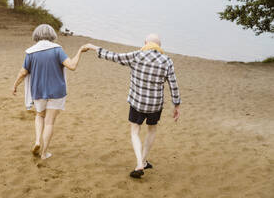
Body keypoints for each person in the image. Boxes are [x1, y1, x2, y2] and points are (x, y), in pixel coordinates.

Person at [84, 34, 181, 179]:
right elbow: (173, 84)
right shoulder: (167, 61)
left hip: (137, 102)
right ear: (159, 47)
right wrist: (176, 105)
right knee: (152, 129)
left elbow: (114, 56)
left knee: (135, 131)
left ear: (145, 43)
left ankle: (139, 163)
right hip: (155, 104)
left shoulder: (137, 55)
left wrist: (93, 47)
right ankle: (143, 160)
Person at [13, 24, 87, 160]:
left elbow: (23, 72)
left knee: (40, 115)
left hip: (38, 90)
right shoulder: (57, 49)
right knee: (50, 122)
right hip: (56, 91)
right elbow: (72, 66)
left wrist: (15, 85)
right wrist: (80, 52)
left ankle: (37, 141)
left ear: (36, 35)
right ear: (52, 34)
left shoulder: (30, 52)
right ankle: (44, 152)